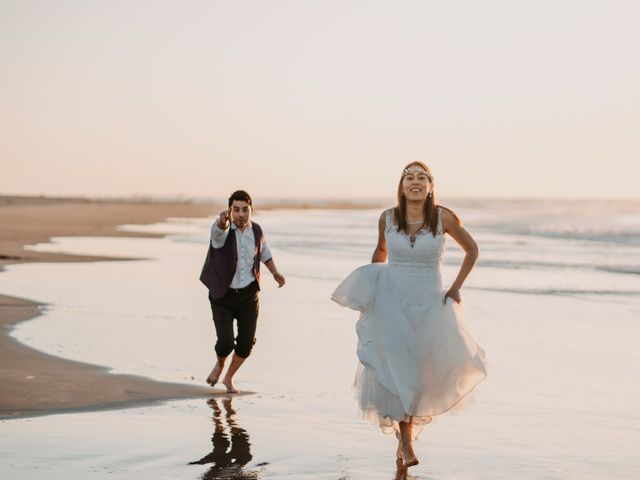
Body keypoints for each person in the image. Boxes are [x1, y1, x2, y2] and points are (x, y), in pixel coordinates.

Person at [331, 161, 486, 467]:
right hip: (391, 302)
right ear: (401, 187)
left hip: (430, 306)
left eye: (421, 178)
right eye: (409, 178)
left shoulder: (444, 217)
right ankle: (406, 444)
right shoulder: (388, 218)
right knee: (398, 370)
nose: (415, 182)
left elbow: (472, 250)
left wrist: (456, 287)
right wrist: (371, 285)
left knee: (419, 375)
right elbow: (380, 253)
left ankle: (405, 443)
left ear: (431, 186)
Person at [200, 190, 285, 393]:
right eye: (236, 210)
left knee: (246, 343)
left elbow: (264, 252)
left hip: (248, 294)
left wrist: (275, 272)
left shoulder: (256, 230)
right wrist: (222, 222)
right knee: (226, 342)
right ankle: (219, 365)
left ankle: (228, 377)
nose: (240, 214)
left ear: (251, 210)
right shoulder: (221, 229)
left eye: (244, 210)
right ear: (230, 210)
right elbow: (218, 234)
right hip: (223, 294)